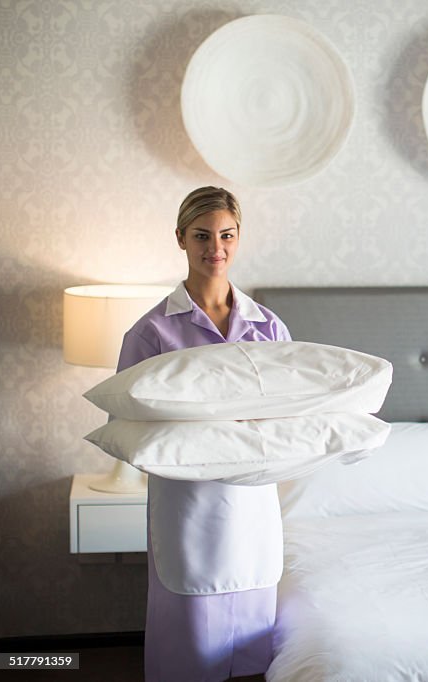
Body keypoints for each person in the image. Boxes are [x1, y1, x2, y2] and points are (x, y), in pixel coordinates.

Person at [116, 187, 290, 681]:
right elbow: (129, 424)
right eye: (202, 235)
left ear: (239, 239)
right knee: (189, 642)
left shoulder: (269, 329)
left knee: (251, 641)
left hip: (252, 501)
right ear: (180, 239)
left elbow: (287, 414)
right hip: (187, 503)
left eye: (227, 235)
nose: (216, 247)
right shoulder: (151, 333)